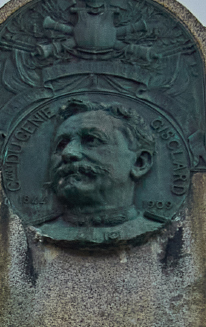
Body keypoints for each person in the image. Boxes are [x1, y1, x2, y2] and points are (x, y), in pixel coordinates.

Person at [30, 100, 164, 245]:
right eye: (61, 145)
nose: (68, 153)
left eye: (91, 140)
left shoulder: (150, 227)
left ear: (139, 163)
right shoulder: (42, 230)